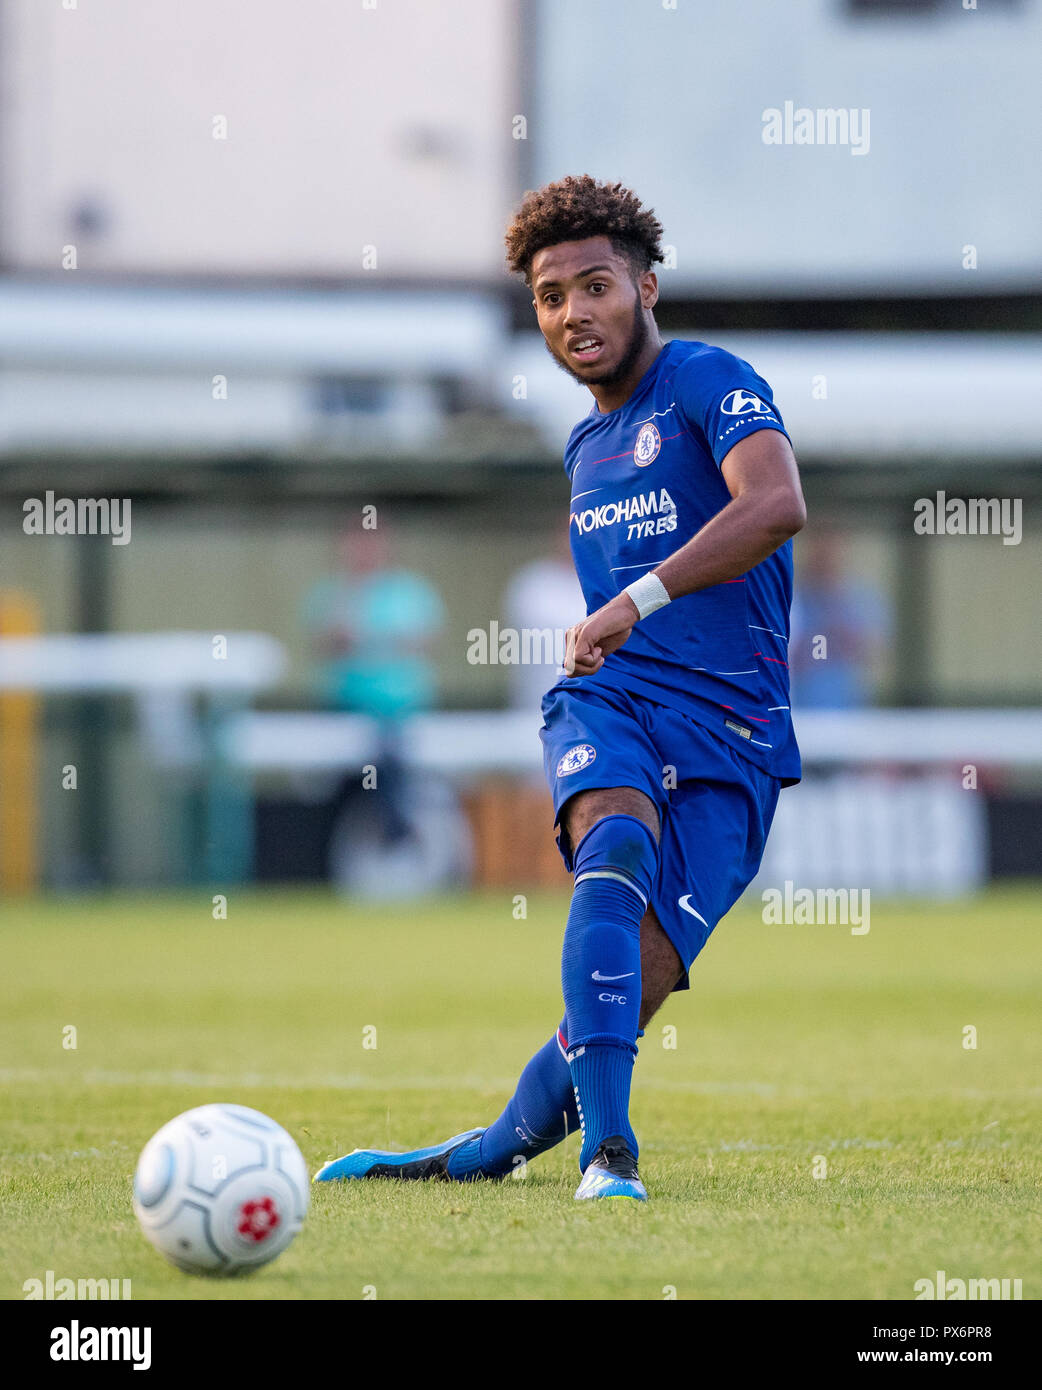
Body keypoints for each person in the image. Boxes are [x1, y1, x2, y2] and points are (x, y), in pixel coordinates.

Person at [315, 175, 806, 1201]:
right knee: (611, 846)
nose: (574, 313)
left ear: (646, 286)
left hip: (735, 735)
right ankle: (610, 1154)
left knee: (641, 977)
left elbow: (776, 505)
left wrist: (637, 597)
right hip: (611, 704)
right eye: (550, 296)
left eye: (594, 285)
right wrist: (616, 633)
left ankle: (491, 1146)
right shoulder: (583, 446)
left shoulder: (710, 380)